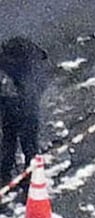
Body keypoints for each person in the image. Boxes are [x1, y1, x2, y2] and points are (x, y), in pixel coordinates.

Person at [0, 36, 49, 185]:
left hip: (10, 107)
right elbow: (40, 84)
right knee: (29, 145)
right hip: (28, 107)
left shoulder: (6, 62)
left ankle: (5, 174)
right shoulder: (33, 61)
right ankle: (30, 177)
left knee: (9, 142)